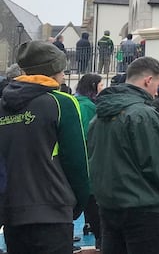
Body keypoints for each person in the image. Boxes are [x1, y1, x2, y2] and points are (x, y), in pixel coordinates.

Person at [0, 42, 90, 253]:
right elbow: (77, 162)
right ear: (53, 70)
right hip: (53, 210)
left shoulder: (2, 105)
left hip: (12, 212)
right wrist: (75, 204)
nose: (64, 75)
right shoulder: (62, 103)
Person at [88, 56, 159, 254]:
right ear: (148, 80)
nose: (157, 92)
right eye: (158, 85)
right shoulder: (143, 115)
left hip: (109, 206)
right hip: (143, 209)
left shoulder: (99, 116)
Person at [75, 73, 105, 250]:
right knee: (93, 198)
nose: (103, 88)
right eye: (101, 85)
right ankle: (100, 237)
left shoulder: (75, 102)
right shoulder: (88, 106)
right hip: (89, 158)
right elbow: (89, 134)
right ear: (93, 86)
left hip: (77, 158)